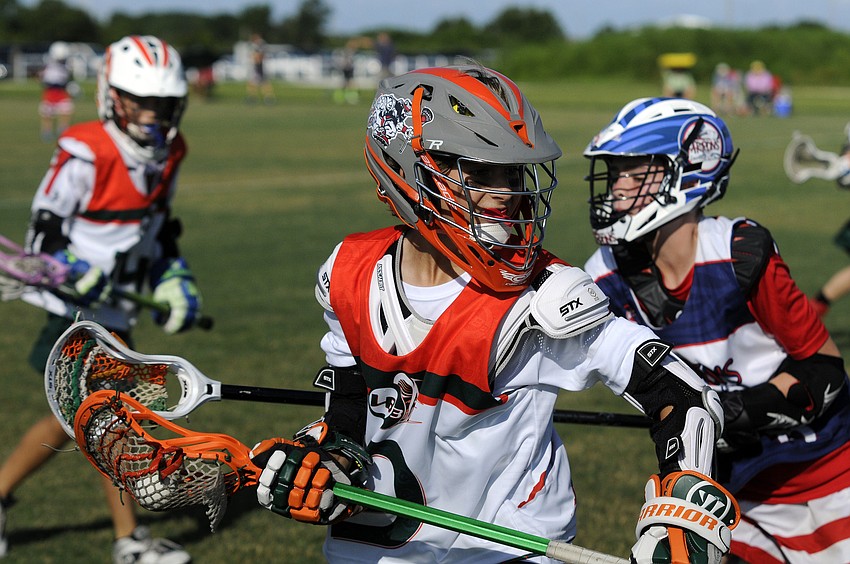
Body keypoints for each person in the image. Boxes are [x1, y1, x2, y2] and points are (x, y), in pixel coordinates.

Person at [248, 65, 739, 563]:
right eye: (480, 173)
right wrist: (327, 465)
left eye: (511, 174)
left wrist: (684, 509)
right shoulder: (348, 275)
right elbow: (350, 416)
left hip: (505, 549)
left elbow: (681, 393)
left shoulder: (542, 297)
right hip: (375, 551)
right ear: (407, 172)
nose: (506, 194)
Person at [582, 97, 850, 562]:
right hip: (732, 491)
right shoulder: (604, 278)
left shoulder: (739, 251)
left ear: (686, 173)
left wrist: (727, 410)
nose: (616, 189)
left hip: (825, 470)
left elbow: (824, 373)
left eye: (632, 172)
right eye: (613, 173)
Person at [0, 35, 204, 563]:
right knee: (110, 419)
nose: (151, 112)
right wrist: (72, 270)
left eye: (161, 101)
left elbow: (159, 230)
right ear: (111, 95)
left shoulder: (170, 152)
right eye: (139, 99)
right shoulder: (84, 149)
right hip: (74, 310)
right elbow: (43, 232)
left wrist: (172, 278)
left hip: (118, 307)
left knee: (77, 421)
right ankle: (129, 542)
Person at [39, 41, 76, 142]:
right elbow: (43, 78)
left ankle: (63, 130)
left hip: (62, 91)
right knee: (47, 114)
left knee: (66, 112)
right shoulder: (48, 63)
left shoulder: (67, 64)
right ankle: (46, 132)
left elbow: (68, 79)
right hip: (50, 91)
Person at [245, 33, 275, 105]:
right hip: (258, 66)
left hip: (259, 67)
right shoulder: (260, 46)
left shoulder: (260, 46)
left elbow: (259, 56)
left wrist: (256, 61)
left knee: (261, 83)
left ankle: (266, 98)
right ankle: (257, 97)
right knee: (256, 83)